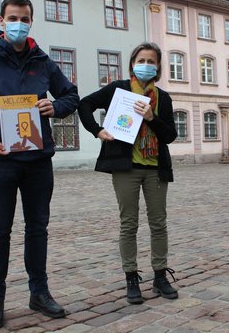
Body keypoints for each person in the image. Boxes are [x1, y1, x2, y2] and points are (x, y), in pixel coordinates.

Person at [0, 0, 79, 329]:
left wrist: (57, 107)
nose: (18, 24)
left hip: (38, 159)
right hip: (1, 159)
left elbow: (71, 95)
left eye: (24, 19)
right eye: (12, 18)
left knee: (38, 228)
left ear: (31, 21)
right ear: (1, 21)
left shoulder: (44, 62)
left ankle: (39, 292)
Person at [78, 42, 178, 304]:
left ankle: (159, 275)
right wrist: (97, 130)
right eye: (141, 60)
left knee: (159, 223)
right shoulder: (118, 90)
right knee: (128, 224)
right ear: (133, 63)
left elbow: (170, 135)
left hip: (156, 168)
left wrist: (151, 117)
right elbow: (85, 104)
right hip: (126, 168)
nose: (146, 64)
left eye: (151, 61)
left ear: (157, 67)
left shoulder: (163, 98)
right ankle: (131, 278)